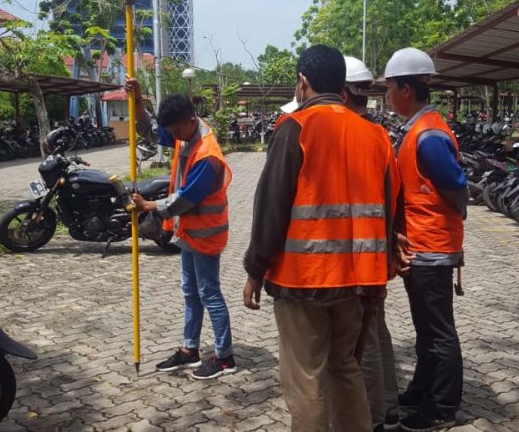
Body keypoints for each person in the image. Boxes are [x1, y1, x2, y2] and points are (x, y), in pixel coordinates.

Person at [243, 44, 400, 432]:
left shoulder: (295, 128)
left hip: (303, 280)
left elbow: (271, 208)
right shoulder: (375, 135)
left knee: (307, 378)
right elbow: (388, 211)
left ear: (303, 82)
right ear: (343, 87)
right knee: (345, 366)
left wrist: (254, 270)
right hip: (359, 280)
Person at [126, 79, 237, 380]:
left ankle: (225, 356)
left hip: (206, 234)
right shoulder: (185, 135)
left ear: (191, 120)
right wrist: (137, 100)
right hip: (189, 233)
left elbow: (186, 198)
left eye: (176, 131)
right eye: (171, 132)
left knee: (209, 293)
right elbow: (148, 130)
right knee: (190, 291)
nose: (172, 137)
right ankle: (190, 350)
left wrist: (149, 206)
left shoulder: (208, 154)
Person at [383, 47, 467, 431]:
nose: (385, 95)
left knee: (438, 332)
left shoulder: (429, 134)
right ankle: (422, 389)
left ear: (405, 88)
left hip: (431, 247)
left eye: (388, 87)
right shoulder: (418, 126)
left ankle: (442, 407)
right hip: (420, 246)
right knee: (426, 330)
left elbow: (455, 186)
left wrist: (450, 219)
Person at [343, 55, 400, 432]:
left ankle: (376, 417)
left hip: (355, 258)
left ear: (343, 92)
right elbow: (393, 196)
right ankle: (390, 407)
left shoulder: (349, 134)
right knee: (377, 331)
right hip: (376, 252)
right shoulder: (380, 134)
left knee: (361, 343)